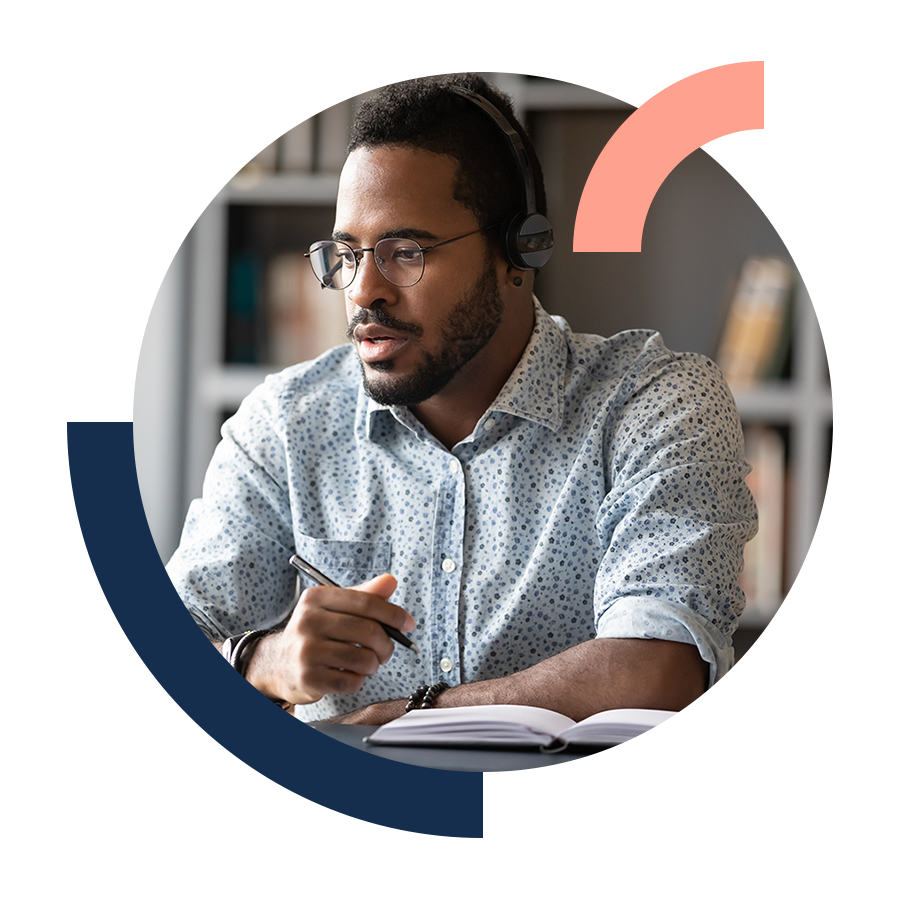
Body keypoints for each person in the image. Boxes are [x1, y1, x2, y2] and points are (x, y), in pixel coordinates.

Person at [165, 72, 757, 726]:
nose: (364, 291)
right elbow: (145, 661)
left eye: (406, 251)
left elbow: (657, 671)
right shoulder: (286, 425)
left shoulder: (654, 403)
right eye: (346, 255)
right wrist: (259, 660)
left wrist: (419, 715)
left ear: (519, 250)